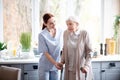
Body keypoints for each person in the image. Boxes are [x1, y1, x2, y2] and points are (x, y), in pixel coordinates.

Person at [38, 13, 63, 80]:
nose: (54, 24)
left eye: (54, 21)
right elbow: (46, 53)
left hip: (56, 65)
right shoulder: (42, 35)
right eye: (51, 23)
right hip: (45, 66)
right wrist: (55, 63)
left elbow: (63, 48)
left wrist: (62, 61)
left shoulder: (61, 31)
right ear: (45, 24)